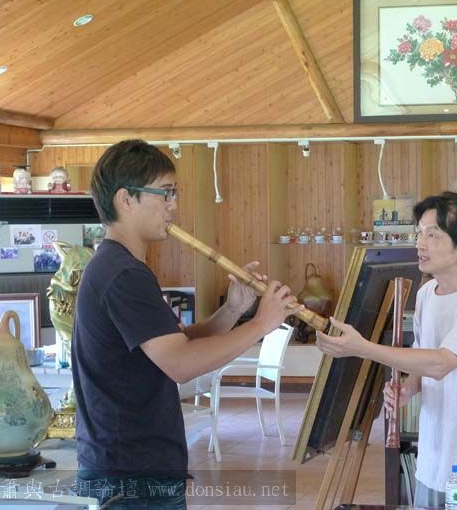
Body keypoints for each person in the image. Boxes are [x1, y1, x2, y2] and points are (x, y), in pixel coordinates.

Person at [72, 139, 300, 509]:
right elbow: (181, 364)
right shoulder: (123, 274)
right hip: (130, 475)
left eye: (174, 193)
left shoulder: (119, 267)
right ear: (125, 200)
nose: (173, 205)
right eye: (165, 193)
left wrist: (233, 311)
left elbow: (175, 343)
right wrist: (261, 324)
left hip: (130, 467)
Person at [316, 191, 457, 509]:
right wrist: (410, 387)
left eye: (433, 235)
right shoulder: (427, 293)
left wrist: (363, 348)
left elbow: (442, 363)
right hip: (438, 441)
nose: (420, 243)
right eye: (419, 233)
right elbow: (423, 352)